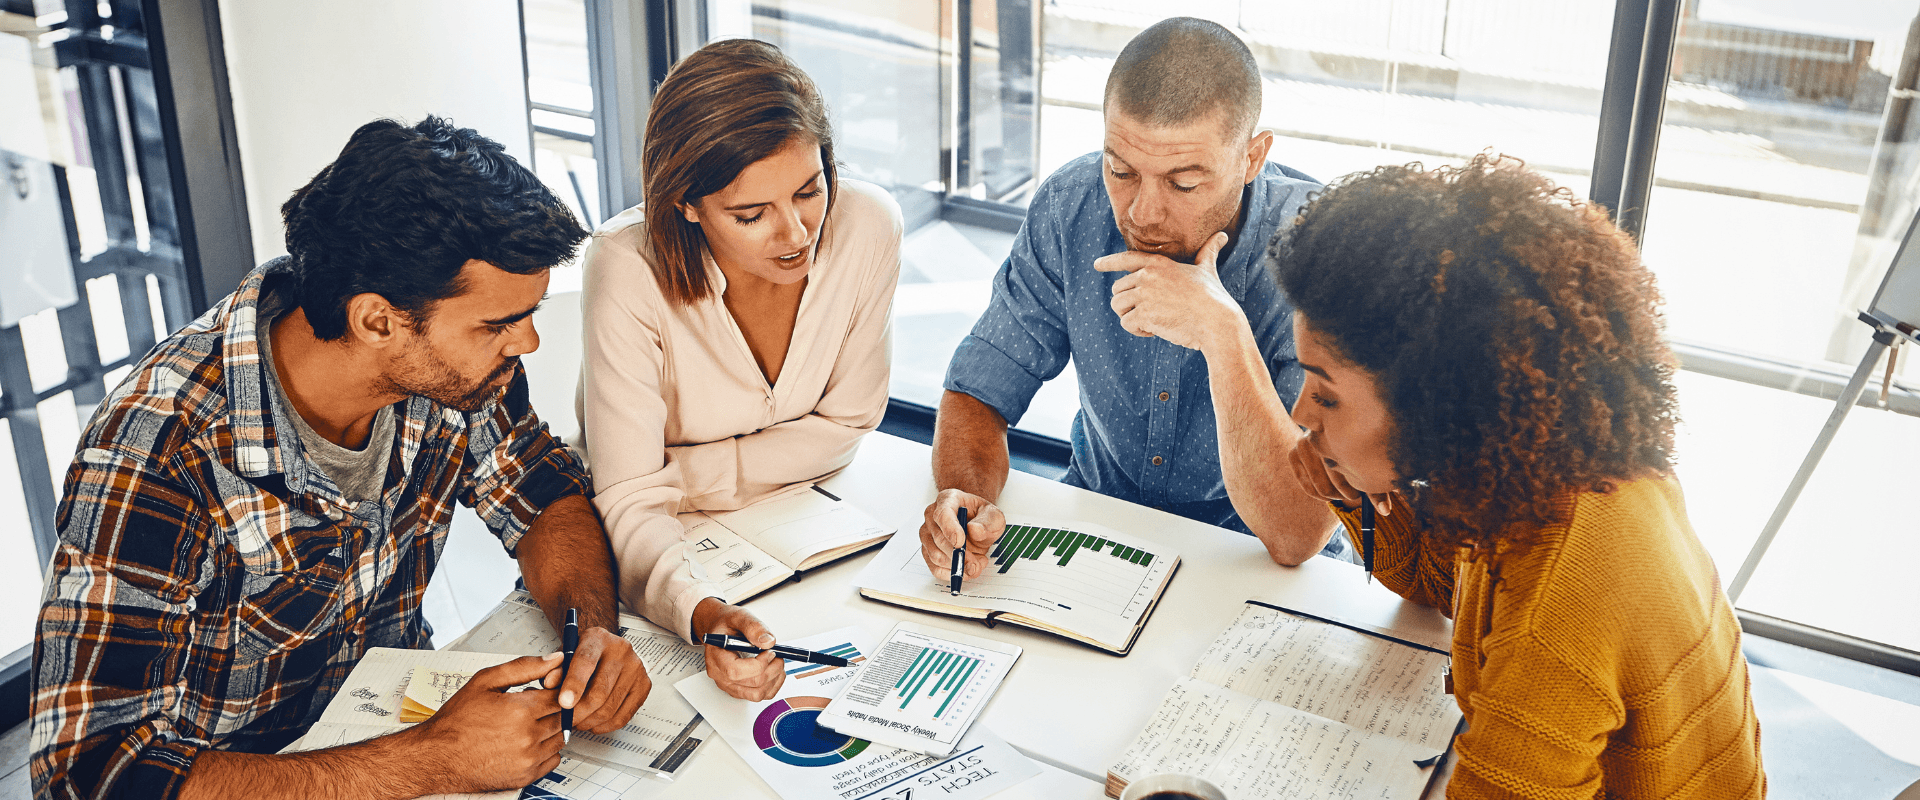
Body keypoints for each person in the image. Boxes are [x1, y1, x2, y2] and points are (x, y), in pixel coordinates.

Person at [30, 117, 652, 800]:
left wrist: (589, 634)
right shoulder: (158, 450)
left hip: (399, 723)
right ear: (377, 320)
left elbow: (540, 493)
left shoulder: (462, 376)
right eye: (500, 323)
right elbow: (86, 774)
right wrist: (428, 760)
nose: (528, 343)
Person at [1274, 156, 1765, 796]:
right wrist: (1356, 491)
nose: (1300, 415)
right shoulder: (1532, 476)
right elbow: (1432, 583)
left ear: (1432, 399)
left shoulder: (1566, 586)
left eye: (1327, 395)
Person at [921, 17, 1347, 584]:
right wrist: (966, 502)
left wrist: (1223, 335)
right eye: (1121, 170)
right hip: (1100, 535)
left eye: (1183, 184)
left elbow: (1296, 535)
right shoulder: (1070, 207)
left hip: (1253, 563)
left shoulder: (1322, 252)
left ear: (1252, 157)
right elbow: (981, 390)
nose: (1142, 213)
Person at [576, 38, 901, 701]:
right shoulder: (626, 270)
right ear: (686, 205)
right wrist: (701, 612)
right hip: (669, 556)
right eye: (750, 214)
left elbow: (848, 424)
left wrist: (680, 473)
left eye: (810, 191)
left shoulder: (867, 226)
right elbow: (630, 507)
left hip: (820, 535)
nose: (796, 233)